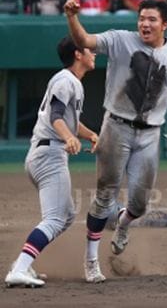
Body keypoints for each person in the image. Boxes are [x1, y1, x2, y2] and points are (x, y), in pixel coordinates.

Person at [65, 0, 167, 283]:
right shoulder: (120, 40)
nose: (144, 24)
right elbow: (85, 39)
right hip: (116, 127)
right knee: (104, 195)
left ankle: (123, 224)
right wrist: (72, 18)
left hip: (150, 134)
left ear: (165, 24)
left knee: (139, 204)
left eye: (151, 19)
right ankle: (91, 260)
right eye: (141, 18)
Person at [3, 37, 99, 289]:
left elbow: (68, 120)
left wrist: (89, 135)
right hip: (49, 154)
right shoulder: (65, 80)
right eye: (90, 50)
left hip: (45, 152)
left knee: (66, 215)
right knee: (55, 218)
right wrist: (68, 137)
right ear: (78, 54)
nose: (94, 54)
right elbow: (56, 116)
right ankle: (20, 268)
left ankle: (23, 263)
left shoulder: (71, 81)